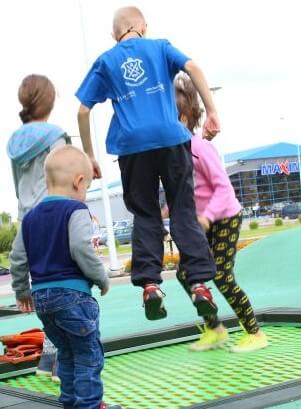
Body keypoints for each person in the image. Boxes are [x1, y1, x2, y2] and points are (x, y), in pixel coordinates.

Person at [76, 6, 219, 321]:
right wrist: (212, 110)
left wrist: (88, 155)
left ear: (115, 33)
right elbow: (192, 66)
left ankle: (151, 285)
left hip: (132, 147)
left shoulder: (107, 60)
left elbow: (84, 111)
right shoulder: (160, 46)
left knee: (145, 213)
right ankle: (198, 284)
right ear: (142, 26)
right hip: (170, 138)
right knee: (181, 207)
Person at [9, 145, 124, 409]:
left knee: (67, 353)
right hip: (73, 295)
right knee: (88, 354)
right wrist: (101, 277)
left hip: (43, 301)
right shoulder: (76, 209)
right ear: (78, 181)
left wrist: (22, 291)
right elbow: (81, 249)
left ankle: (71, 408)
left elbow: (17, 258)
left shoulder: (30, 218)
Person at [173, 75, 268, 352]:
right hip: (201, 222)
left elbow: (224, 190)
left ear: (181, 119)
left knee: (222, 275)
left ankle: (255, 332)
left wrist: (207, 216)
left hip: (224, 216)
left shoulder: (201, 149)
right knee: (184, 273)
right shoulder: (174, 154)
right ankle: (215, 328)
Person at [7, 74, 71, 382]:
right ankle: (62, 363)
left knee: (44, 289)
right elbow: (64, 173)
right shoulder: (56, 135)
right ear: (50, 101)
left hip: (27, 215)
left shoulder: (16, 140)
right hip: (54, 215)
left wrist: (21, 289)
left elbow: (17, 186)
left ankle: (47, 360)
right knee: (65, 288)